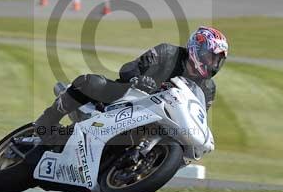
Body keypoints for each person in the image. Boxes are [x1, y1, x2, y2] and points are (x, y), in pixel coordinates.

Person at [33, 26, 229, 140]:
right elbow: (129, 67)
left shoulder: (208, 89)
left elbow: (197, 117)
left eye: (217, 60)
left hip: (160, 122)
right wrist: (138, 78)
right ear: (197, 48)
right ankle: (47, 120)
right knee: (91, 82)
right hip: (129, 98)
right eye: (210, 57)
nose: (213, 63)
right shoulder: (168, 52)